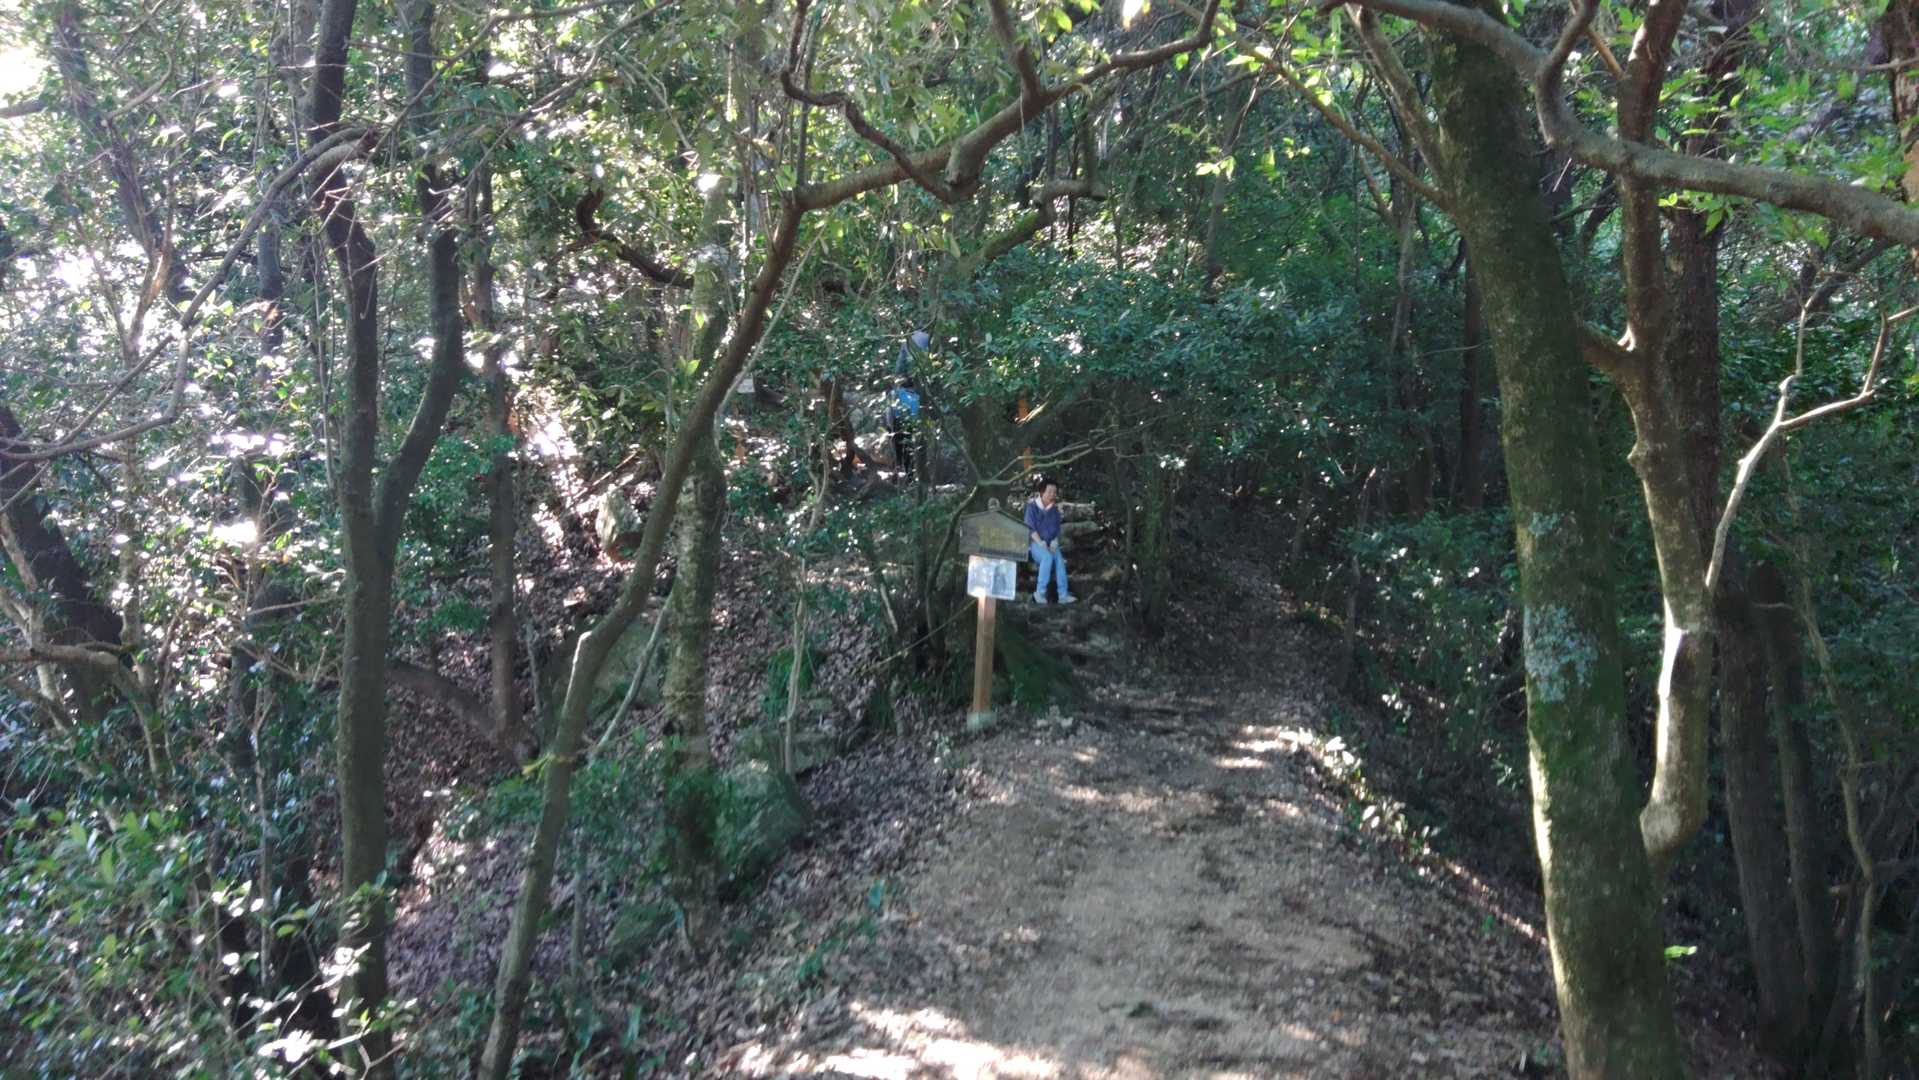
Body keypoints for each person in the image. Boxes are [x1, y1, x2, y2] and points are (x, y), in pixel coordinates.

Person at [1023, 479, 1076, 604]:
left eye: (1054, 492)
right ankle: (1039, 593)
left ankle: (1063, 595)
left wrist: (1054, 542)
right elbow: (1030, 528)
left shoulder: (1055, 511)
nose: (1053, 494)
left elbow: (1057, 530)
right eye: (1050, 491)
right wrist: (1041, 543)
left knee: (1059, 559)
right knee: (1047, 557)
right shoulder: (1032, 508)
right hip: (1035, 544)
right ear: (1042, 492)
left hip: (1050, 544)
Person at [884, 376, 922, 480]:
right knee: (908, 451)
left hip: (897, 424)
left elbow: (889, 411)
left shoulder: (895, 393)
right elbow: (917, 414)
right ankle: (909, 476)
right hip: (911, 425)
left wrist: (889, 426)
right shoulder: (917, 397)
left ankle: (896, 475)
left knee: (896, 450)